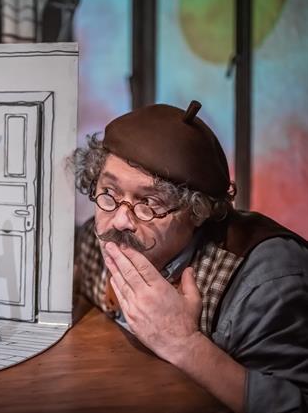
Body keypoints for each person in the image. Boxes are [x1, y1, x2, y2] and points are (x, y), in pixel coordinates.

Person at [72, 100, 308, 413]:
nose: (119, 221)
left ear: (197, 212)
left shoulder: (266, 282)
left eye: (149, 203)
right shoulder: (94, 237)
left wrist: (184, 343)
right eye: (109, 192)